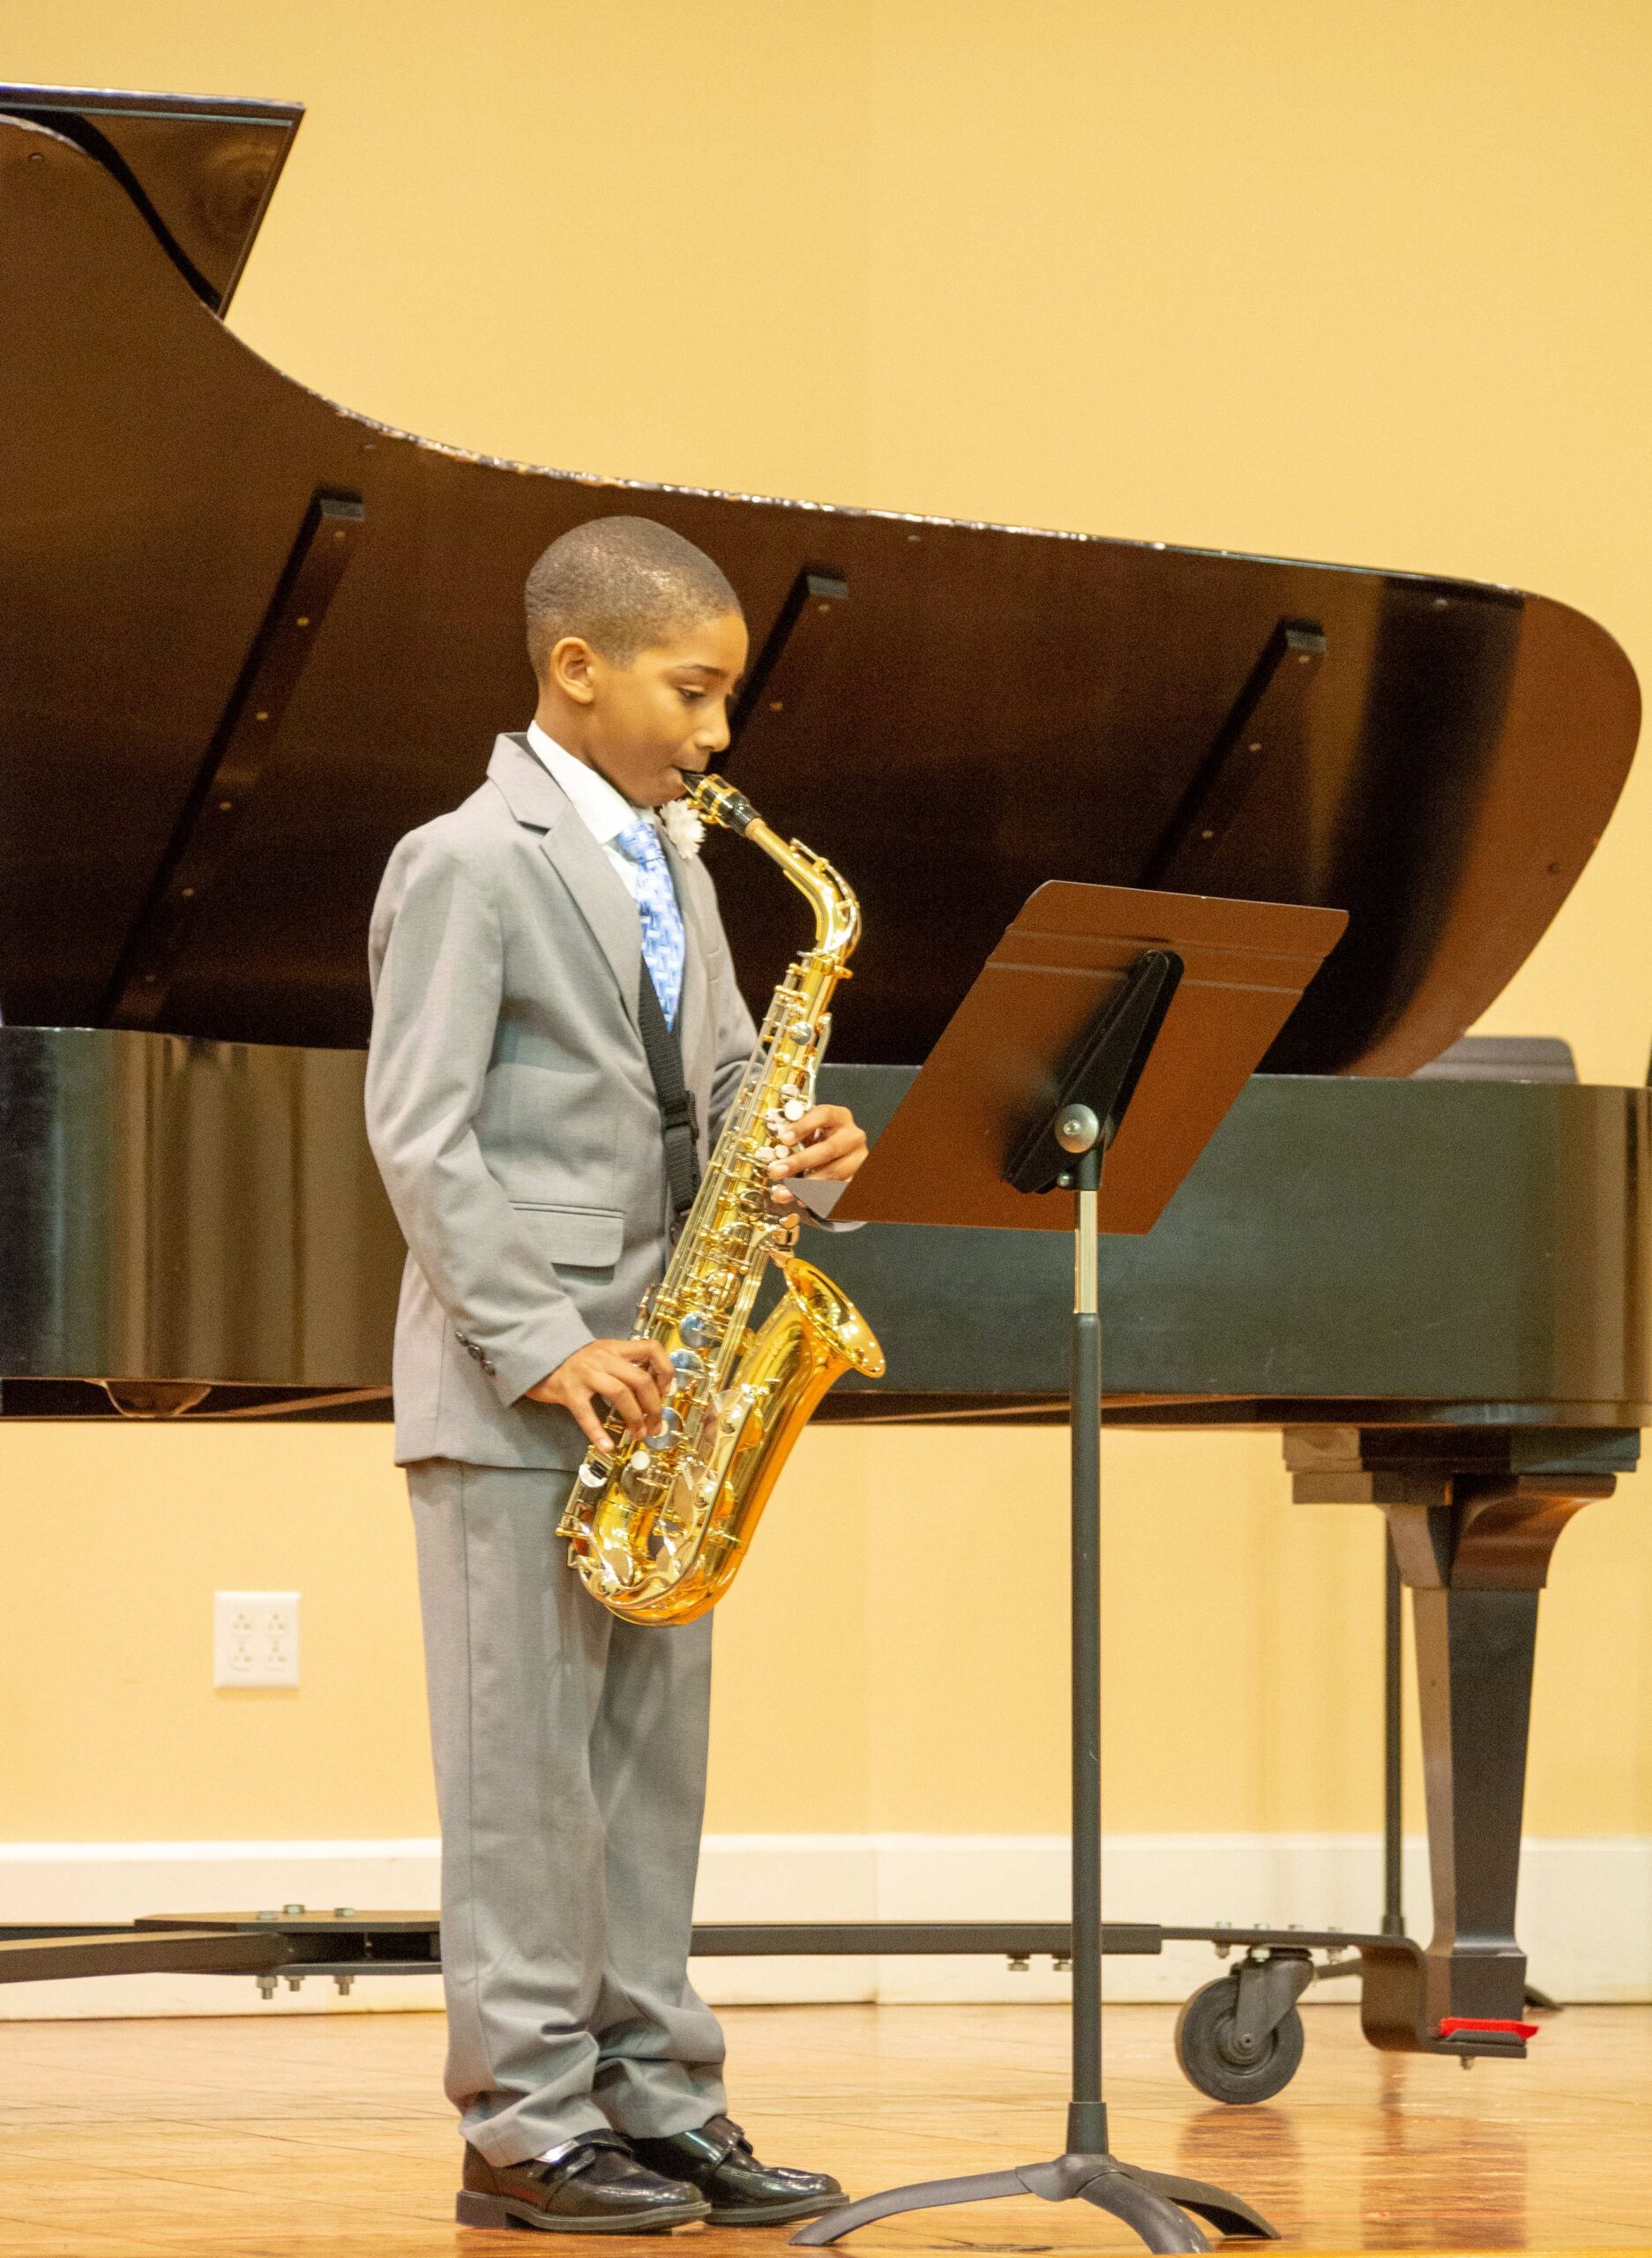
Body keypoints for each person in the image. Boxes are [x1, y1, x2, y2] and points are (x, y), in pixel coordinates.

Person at [365, 515, 866, 2235]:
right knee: (524, 1779)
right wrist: (545, 1336)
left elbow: (722, 1091)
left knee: (649, 1773)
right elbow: (419, 1134)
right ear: (578, 666)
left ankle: (662, 2095)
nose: (718, 735)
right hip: (529, 1386)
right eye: (695, 689)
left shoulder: (687, 864)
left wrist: (796, 1149)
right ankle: (521, 2123)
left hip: (672, 1381)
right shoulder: (464, 857)